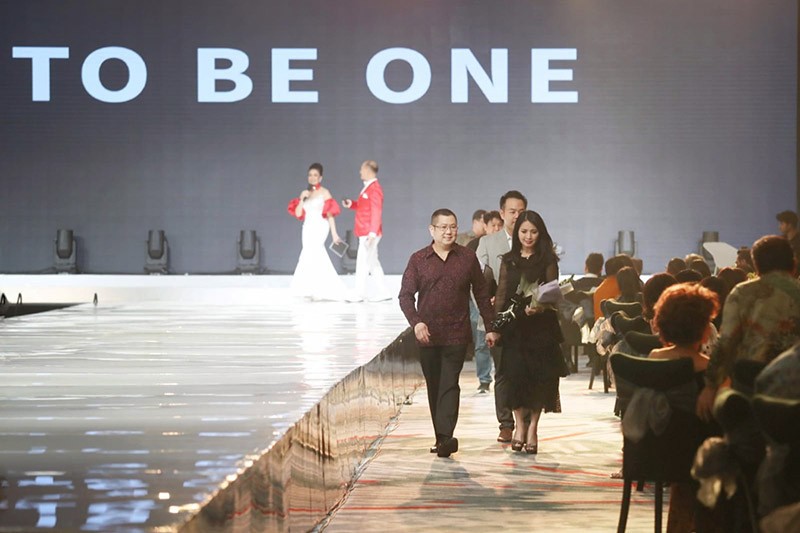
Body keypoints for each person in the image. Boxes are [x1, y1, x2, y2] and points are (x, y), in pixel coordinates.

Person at [398, 208, 499, 457]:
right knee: (435, 386)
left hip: (456, 333)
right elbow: (405, 296)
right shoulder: (418, 259)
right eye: (443, 227)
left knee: (449, 384)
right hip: (427, 335)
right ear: (432, 230)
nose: (448, 231)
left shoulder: (467, 257)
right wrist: (416, 323)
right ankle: (441, 437)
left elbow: (482, 294)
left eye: (452, 226)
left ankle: (446, 437)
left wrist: (491, 327)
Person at [697, 235, 800, 421]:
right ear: (793, 264)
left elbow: (726, 343)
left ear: (756, 266)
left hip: (749, 386)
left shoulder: (742, 293)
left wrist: (711, 385)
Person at [649, 283, 721, 533]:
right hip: (699, 459)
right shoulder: (712, 371)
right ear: (704, 330)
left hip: (655, 455)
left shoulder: (653, 360)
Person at [495, 210, 564, 454]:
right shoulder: (508, 260)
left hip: (540, 329)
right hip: (515, 329)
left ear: (540, 233)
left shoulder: (547, 260)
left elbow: (552, 293)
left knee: (538, 379)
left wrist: (540, 307)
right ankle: (519, 428)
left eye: (533, 232)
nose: (528, 236)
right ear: (517, 233)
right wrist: (495, 327)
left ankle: (533, 427)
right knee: (514, 377)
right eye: (524, 231)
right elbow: (501, 295)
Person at [475, 190, 527, 443]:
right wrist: (489, 303)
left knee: (527, 371)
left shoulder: (533, 240)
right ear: (502, 213)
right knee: (503, 371)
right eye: (511, 211)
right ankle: (505, 424)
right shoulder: (488, 243)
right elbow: (479, 283)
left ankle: (524, 424)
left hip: (528, 318)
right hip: (498, 318)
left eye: (520, 211)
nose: (516, 216)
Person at [286, 162, 348, 300]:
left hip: (320, 226)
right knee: (307, 253)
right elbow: (297, 214)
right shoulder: (305, 193)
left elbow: (330, 214)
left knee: (316, 250)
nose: (312, 177)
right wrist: (302, 199)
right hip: (307, 227)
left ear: (320, 178)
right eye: (310, 175)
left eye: (315, 175)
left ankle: (323, 288)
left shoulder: (324, 192)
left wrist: (334, 234)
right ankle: (308, 288)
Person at [342, 160, 387, 301]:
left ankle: (359, 293)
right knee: (373, 263)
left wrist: (372, 233)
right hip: (366, 231)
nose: (360, 172)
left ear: (368, 170)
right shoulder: (368, 188)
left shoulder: (374, 188)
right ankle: (384, 292)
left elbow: (376, 211)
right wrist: (352, 204)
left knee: (362, 262)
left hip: (369, 232)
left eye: (362, 169)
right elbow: (364, 207)